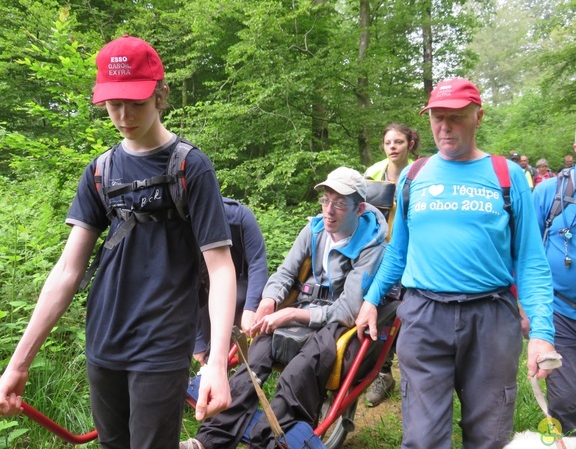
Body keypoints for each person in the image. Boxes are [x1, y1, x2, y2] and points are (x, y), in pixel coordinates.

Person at [0, 35, 237, 449]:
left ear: (160, 95)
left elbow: (221, 267)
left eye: (136, 102)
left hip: (163, 343)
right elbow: (67, 272)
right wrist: (19, 363)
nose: (123, 115)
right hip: (103, 339)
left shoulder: (190, 167)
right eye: (113, 103)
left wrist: (216, 363)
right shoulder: (100, 171)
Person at [355, 77, 557, 448]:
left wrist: (542, 333)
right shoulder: (413, 177)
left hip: (492, 319)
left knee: (488, 436)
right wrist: (371, 299)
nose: (444, 127)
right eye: (437, 118)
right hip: (424, 315)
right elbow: (397, 251)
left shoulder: (507, 175)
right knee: (422, 438)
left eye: (456, 117)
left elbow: (530, 259)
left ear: (478, 117)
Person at [182, 167, 388, 449]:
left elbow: (348, 310)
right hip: (303, 305)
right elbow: (285, 273)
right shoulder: (314, 229)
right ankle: (208, 441)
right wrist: (270, 299)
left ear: (360, 208)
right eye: (326, 200)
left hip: (336, 323)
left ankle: (269, 441)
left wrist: (290, 313)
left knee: (298, 372)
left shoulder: (371, 246)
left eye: (339, 203)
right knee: (253, 362)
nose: (329, 210)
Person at [362, 122, 419, 407]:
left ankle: (412, 370)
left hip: (411, 254)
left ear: (410, 144)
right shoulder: (372, 173)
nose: (393, 147)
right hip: (378, 253)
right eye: (388, 142)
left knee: (407, 314)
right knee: (382, 312)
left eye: (399, 141)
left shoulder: (422, 174)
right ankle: (382, 373)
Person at [532, 134, 576, 434]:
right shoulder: (550, 192)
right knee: (566, 400)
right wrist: (527, 310)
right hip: (560, 312)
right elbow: (527, 254)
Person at [194, 197, 269, 364]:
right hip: (206, 290)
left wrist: (251, 307)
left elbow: (258, 264)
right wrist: (197, 342)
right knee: (208, 352)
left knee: (238, 298)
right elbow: (186, 285)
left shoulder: (241, 218)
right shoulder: (188, 226)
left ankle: (242, 368)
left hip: (243, 286)